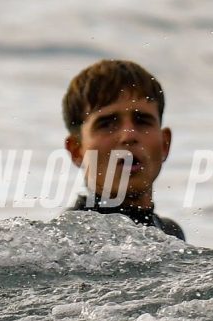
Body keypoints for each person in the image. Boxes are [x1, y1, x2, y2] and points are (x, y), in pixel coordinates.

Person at [61, 58, 185, 240]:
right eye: (106, 124)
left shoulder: (170, 233)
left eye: (142, 121)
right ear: (76, 151)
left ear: (164, 144)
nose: (128, 136)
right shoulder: (70, 238)